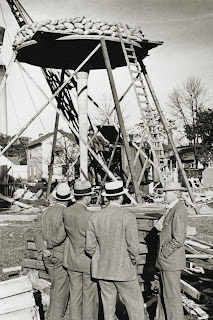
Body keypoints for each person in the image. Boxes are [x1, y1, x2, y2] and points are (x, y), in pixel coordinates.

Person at [85, 180, 145, 320]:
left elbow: (89, 246)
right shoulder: (128, 217)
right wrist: (133, 260)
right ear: (121, 197)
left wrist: (100, 257)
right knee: (135, 305)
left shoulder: (95, 216)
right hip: (123, 269)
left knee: (108, 308)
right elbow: (133, 247)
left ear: (106, 197)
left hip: (102, 270)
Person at [34, 182, 72, 320]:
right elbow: (61, 235)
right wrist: (49, 245)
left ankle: (59, 313)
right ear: (68, 199)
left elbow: (37, 231)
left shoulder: (45, 212)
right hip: (59, 254)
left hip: (46, 255)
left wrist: (43, 248)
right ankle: (55, 316)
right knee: (59, 288)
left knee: (55, 283)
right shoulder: (65, 213)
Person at [63, 180, 99, 320]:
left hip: (72, 260)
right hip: (87, 261)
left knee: (75, 296)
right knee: (89, 297)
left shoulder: (66, 212)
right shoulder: (90, 215)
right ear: (87, 197)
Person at [154, 180, 188, 320]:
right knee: (164, 296)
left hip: (170, 261)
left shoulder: (179, 209)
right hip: (166, 262)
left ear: (175, 193)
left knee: (172, 298)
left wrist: (164, 252)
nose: (164, 195)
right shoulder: (172, 208)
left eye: (166, 192)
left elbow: (179, 239)